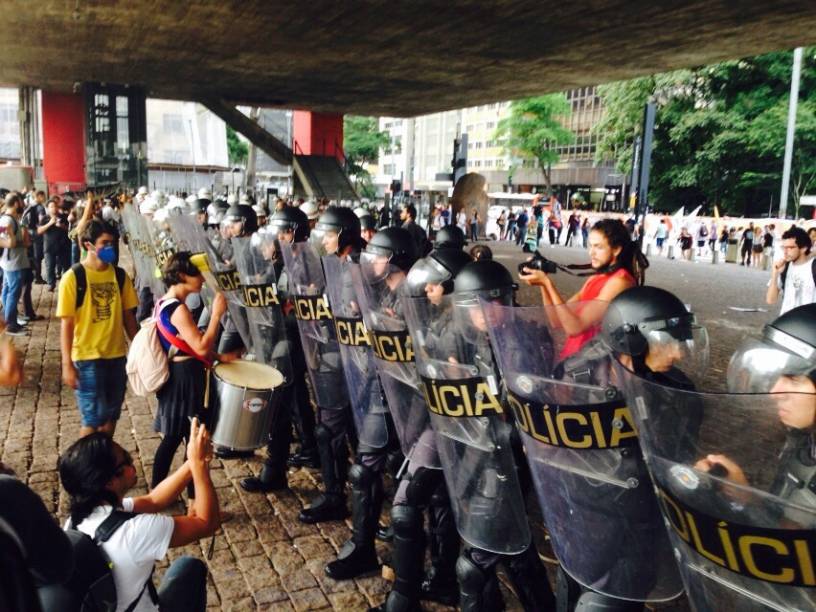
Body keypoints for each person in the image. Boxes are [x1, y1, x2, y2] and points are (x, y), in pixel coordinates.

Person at [369, 248, 473, 611]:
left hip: (452, 427)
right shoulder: (446, 315)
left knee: (406, 503)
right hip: (438, 422)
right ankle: (443, 578)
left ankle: (404, 597)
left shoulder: (463, 324)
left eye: (436, 284)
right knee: (439, 502)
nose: (429, 288)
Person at [57, 418, 218, 612]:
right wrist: (200, 465)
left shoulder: (76, 520)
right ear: (109, 482)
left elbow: (153, 500)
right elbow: (206, 523)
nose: (133, 462)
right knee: (190, 568)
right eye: (126, 460)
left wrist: (191, 462)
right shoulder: (136, 531)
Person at [151, 252, 232, 499]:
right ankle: (162, 494)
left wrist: (220, 358)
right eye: (198, 274)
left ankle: (190, 497)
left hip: (182, 375)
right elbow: (199, 347)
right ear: (183, 276)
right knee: (178, 437)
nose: (203, 279)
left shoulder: (166, 302)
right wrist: (217, 314)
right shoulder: (178, 309)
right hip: (184, 380)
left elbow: (185, 343)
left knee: (186, 437)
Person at [57, 219, 139, 437]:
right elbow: (67, 324)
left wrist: (140, 350)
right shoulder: (73, 278)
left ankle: (103, 463)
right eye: (104, 243)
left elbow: (128, 317)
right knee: (93, 420)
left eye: (112, 243)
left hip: (117, 357)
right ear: (88, 245)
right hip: (86, 358)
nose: (109, 248)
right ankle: (87, 467)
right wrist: (67, 364)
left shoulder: (120, 276)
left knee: (111, 416)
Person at [519, 218, 639, 358]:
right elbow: (556, 320)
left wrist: (547, 284)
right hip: (576, 361)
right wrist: (542, 284)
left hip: (595, 366)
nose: (591, 253)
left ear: (617, 249)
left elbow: (575, 327)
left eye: (598, 247)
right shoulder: (597, 277)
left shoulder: (620, 282)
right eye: (590, 246)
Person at [0, 193, 32, 335]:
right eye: (21, 201)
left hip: (11, 262)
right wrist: (18, 241)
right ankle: (11, 325)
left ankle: (10, 321)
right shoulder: (7, 221)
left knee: (8, 291)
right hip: (13, 262)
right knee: (13, 292)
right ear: (16, 203)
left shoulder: (10, 219)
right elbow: (7, 242)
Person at [766, 226, 816, 315]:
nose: (785, 252)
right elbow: (770, 300)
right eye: (784, 247)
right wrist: (775, 273)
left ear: (803, 248)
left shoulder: (813, 267)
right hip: (788, 323)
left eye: (790, 248)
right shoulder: (785, 267)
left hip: (809, 324)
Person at [38, 197, 71, 291]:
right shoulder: (45, 218)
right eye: (51, 206)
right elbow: (39, 231)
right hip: (49, 246)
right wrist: (50, 223)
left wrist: (62, 226)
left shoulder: (64, 217)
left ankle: (66, 283)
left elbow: (70, 229)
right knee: (50, 266)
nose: (54, 208)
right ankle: (51, 283)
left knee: (66, 266)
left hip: (63, 245)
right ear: (48, 208)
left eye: (55, 206)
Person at [22, 190, 46, 284]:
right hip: (37, 234)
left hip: (29, 232)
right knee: (38, 256)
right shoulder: (40, 207)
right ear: (39, 196)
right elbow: (41, 220)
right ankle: (38, 277)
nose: (44, 199)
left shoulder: (29, 205)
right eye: (43, 196)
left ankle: (33, 274)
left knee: (31, 256)